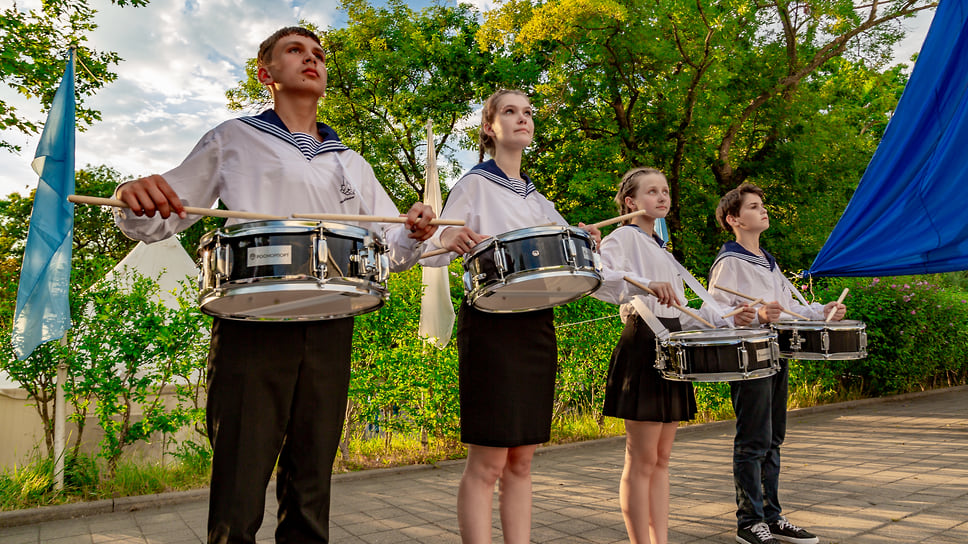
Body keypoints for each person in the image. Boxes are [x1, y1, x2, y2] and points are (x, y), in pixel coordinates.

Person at [112, 27, 437, 544]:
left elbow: (393, 250)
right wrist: (133, 194)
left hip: (332, 322)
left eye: (318, 55)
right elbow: (156, 221)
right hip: (251, 322)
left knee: (311, 492)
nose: (311, 60)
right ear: (266, 74)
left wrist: (416, 228)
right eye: (296, 51)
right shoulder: (233, 138)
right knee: (239, 493)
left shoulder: (349, 160)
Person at [422, 89, 598, 543]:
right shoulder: (473, 184)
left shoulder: (537, 199)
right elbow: (429, 250)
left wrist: (585, 236)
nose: (522, 119)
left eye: (527, 113)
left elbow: (566, 253)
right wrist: (447, 240)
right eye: (509, 112)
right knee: (488, 462)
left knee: (522, 459)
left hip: (536, 325)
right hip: (490, 326)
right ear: (489, 127)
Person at [592, 167, 756, 544]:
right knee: (641, 458)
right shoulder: (622, 237)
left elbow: (684, 311)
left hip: (672, 343)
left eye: (665, 190)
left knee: (662, 459)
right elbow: (600, 279)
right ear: (630, 202)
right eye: (652, 192)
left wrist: (732, 317)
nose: (662, 197)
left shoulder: (660, 247)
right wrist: (644, 283)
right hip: (643, 343)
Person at [708, 182, 846, 544]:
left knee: (773, 438)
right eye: (753, 206)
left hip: (776, 354)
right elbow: (717, 313)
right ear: (733, 219)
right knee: (753, 440)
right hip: (749, 358)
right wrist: (755, 314)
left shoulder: (768, 261)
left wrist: (822, 310)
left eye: (761, 205)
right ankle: (748, 520)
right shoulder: (729, 262)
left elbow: (789, 309)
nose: (763, 210)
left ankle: (772, 515)